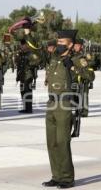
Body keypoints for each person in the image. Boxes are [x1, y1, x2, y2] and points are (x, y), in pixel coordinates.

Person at [43, 30, 78, 189]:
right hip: (51, 104)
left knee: (62, 142)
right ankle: (56, 176)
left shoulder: (76, 59)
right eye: (57, 41)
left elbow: (90, 77)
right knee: (52, 143)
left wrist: (73, 67)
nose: (58, 44)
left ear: (70, 44)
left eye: (61, 41)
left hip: (64, 105)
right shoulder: (54, 59)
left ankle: (67, 178)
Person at [72, 39, 95, 117]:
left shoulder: (84, 54)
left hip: (83, 77)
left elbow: (91, 63)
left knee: (84, 94)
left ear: (81, 46)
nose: (75, 47)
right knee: (75, 94)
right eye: (74, 45)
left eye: (77, 46)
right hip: (75, 76)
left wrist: (86, 61)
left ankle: (84, 112)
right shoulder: (73, 53)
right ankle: (77, 109)